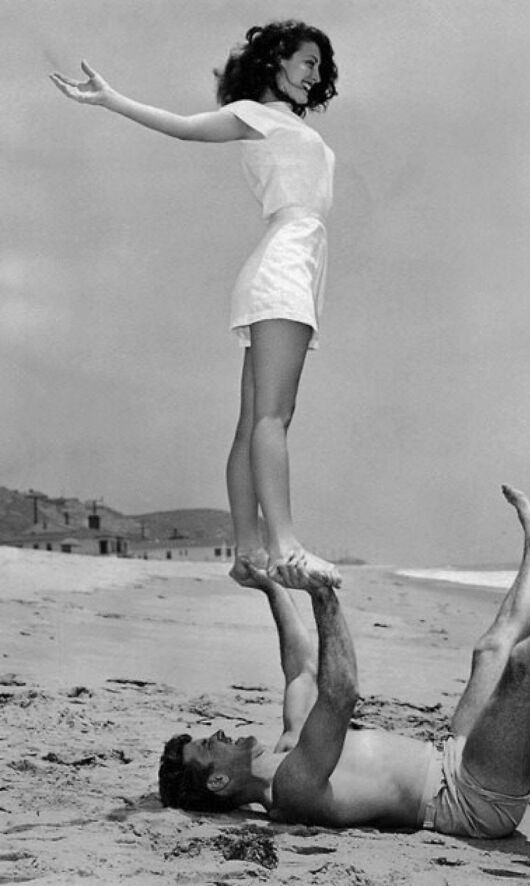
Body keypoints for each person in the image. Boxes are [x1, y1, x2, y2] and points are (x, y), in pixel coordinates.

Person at [158, 448, 530, 836]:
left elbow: (302, 670)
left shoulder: (287, 745)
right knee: (526, 665)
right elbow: (340, 694)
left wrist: (269, 585)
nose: (220, 734)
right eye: (209, 746)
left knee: (491, 649)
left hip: (453, 755)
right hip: (472, 799)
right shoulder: (289, 789)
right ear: (219, 783)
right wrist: (321, 594)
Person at [50, 20, 342, 592]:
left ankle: (249, 552)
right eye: (308, 62)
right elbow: (185, 128)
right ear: (277, 60)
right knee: (272, 418)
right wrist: (111, 100)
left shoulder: (277, 122)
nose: (316, 75)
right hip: (285, 264)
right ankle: (284, 547)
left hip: (290, 265)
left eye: (318, 67)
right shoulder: (256, 115)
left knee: (254, 421)